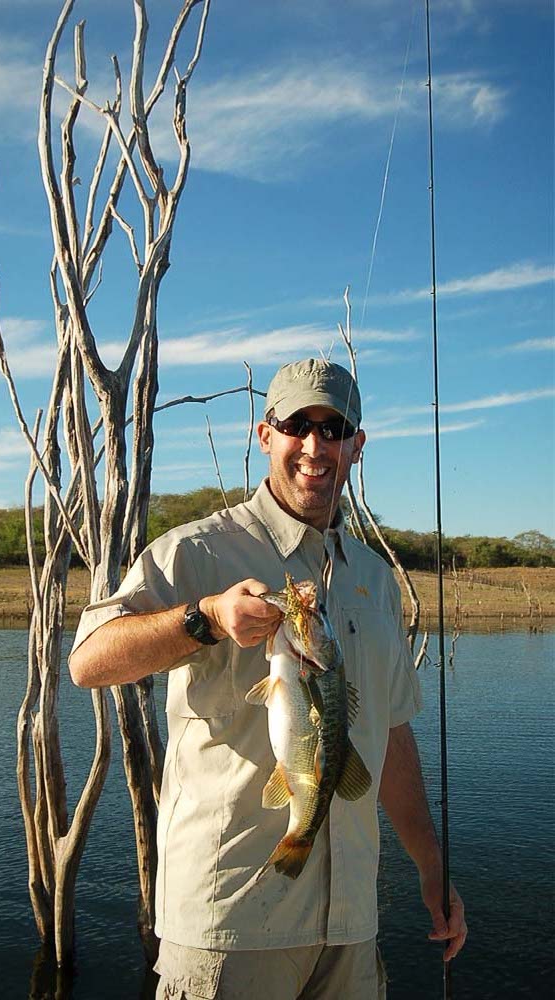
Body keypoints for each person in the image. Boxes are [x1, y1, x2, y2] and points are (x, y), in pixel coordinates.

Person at [69, 358, 467, 999]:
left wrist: (431, 865)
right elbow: (88, 660)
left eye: (333, 429)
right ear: (265, 435)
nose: (314, 447)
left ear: (356, 447)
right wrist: (204, 619)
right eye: (295, 426)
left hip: (351, 930)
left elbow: (389, 735)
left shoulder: (373, 578)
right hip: (232, 925)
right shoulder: (198, 551)